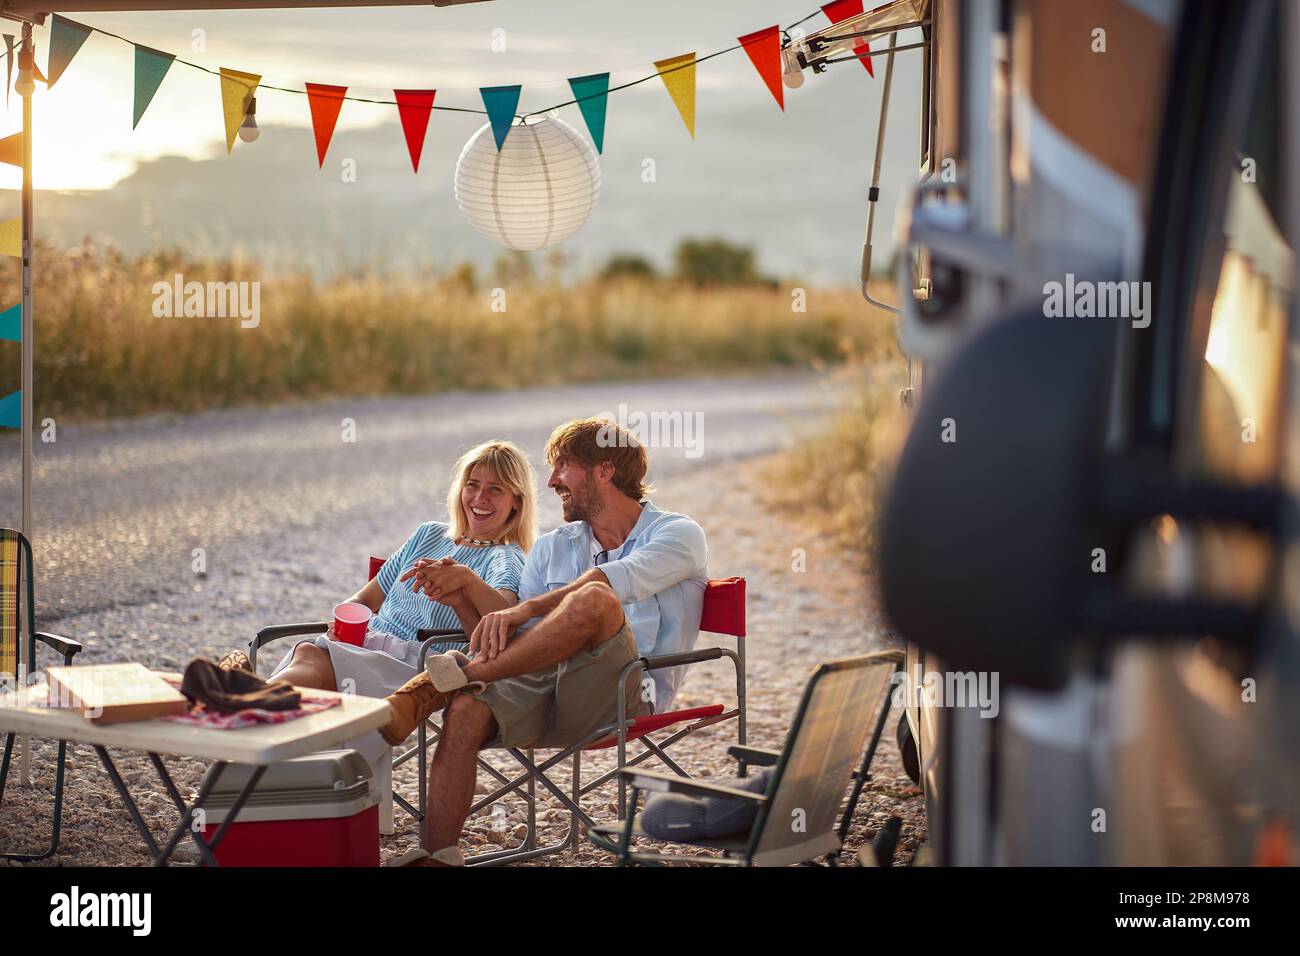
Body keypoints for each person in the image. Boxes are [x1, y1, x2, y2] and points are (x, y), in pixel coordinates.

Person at [379, 417, 708, 867]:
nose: (551, 481)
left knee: (593, 597)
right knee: (468, 709)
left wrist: (525, 607)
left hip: (624, 695)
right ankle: (438, 855)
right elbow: (515, 641)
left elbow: (609, 583)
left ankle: (448, 682)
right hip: (544, 686)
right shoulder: (553, 546)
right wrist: (461, 599)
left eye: (563, 467)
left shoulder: (679, 534)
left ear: (604, 471)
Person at [220, 439, 537, 767]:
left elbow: (504, 618)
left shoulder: (505, 558)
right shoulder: (428, 534)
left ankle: (243, 703)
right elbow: (366, 598)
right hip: (368, 645)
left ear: (516, 502)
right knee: (310, 652)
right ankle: (251, 705)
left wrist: (468, 581)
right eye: (472, 485)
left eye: (495, 489)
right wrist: (343, 619)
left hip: (417, 667)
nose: (480, 498)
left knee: (318, 669)